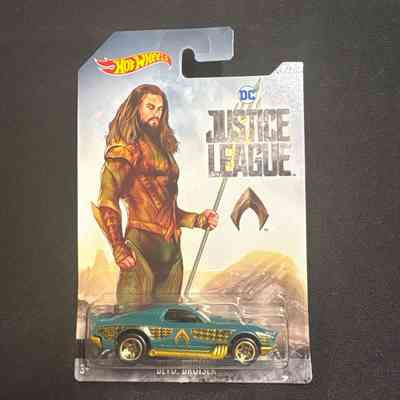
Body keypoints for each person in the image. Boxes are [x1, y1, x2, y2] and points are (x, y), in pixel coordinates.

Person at [92, 84, 219, 306]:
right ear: (135, 108)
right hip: (140, 250)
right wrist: (119, 247)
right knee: (131, 321)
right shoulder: (124, 150)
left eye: (160, 109)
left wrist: (198, 219)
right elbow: (107, 201)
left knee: (167, 322)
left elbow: (166, 210)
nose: (156, 114)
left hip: (172, 254)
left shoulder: (165, 154)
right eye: (150, 107)